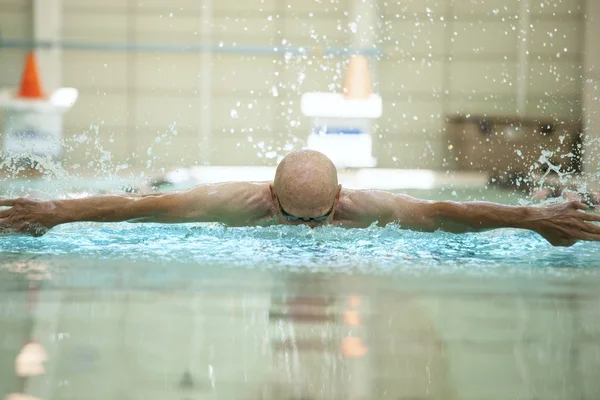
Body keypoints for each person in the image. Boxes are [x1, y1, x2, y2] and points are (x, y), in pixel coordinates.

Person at [1, 150, 599, 247]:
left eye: (324, 217)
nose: (311, 230)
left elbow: (443, 213)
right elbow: (142, 211)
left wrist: (532, 218)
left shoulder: (362, 206)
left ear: (340, 195)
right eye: (295, 217)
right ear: (271, 196)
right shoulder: (237, 202)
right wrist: (53, 211)